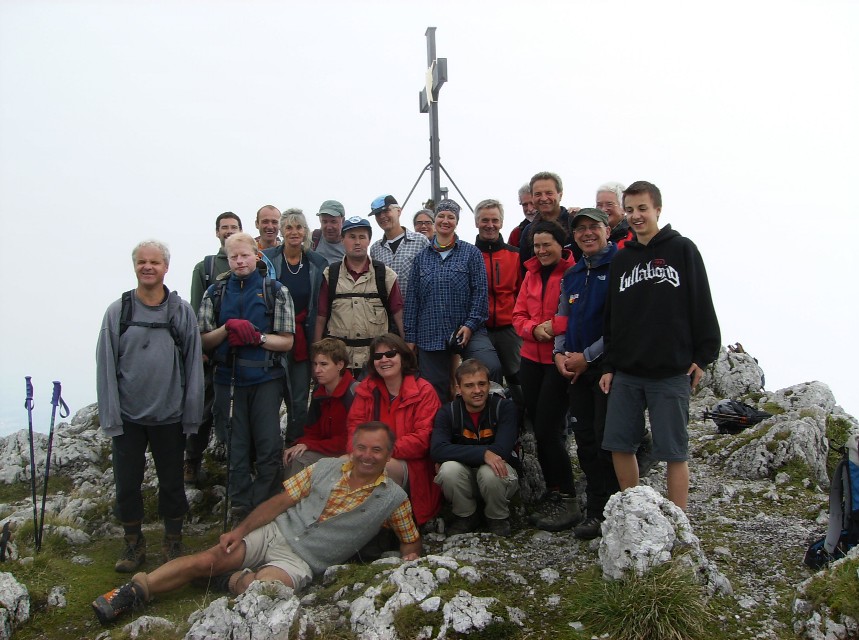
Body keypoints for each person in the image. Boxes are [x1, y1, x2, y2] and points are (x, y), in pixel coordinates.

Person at [92, 422, 422, 625]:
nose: (366, 455)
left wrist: (410, 555)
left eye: (376, 450)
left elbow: (410, 540)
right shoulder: (325, 467)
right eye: (361, 447)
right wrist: (239, 531)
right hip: (276, 531)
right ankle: (133, 591)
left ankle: (228, 581)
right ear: (352, 448)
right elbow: (281, 502)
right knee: (208, 558)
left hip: (302, 560)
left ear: (389, 454)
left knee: (265, 589)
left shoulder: (393, 499)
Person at [599, 181, 720, 511]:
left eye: (642, 209)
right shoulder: (622, 260)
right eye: (630, 209)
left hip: (670, 370)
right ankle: (634, 513)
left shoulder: (682, 249)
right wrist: (609, 365)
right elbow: (612, 319)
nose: (636, 216)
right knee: (620, 445)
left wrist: (703, 357)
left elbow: (701, 303)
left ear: (657, 210)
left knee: (673, 451)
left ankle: (678, 522)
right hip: (627, 370)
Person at [96, 240, 204, 572]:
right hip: (128, 417)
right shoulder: (119, 311)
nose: (148, 267)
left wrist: (191, 415)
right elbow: (106, 365)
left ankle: (173, 541)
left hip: (169, 415)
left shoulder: (180, 311)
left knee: (172, 481)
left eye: (154, 262)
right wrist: (110, 416)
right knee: (127, 482)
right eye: (142, 262)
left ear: (166, 268)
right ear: (135, 266)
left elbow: (193, 365)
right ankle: (133, 544)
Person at [199, 232, 295, 523]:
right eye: (233, 256)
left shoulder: (275, 290)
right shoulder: (214, 293)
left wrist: (257, 337)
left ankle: (264, 505)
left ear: (257, 255)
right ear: (227, 259)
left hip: (265, 378)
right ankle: (240, 506)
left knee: (267, 445)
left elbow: (287, 341)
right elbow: (203, 340)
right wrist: (228, 329)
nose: (239, 261)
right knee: (235, 445)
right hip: (227, 380)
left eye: (244, 255)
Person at [553, 208, 620, 540]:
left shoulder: (621, 267)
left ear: (607, 230)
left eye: (594, 227)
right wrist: (559, 353)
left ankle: (616, 511)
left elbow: (622, 325)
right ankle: (596, 512)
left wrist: (588, 357)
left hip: (608, 369)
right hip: (576, 372)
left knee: (610, 443)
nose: (587, 233)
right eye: (580, 229)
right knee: (587, 442)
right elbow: (561, 318)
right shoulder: (573, 274)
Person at [513, 221, 581, 531]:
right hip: (530, 359)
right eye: (536, 245)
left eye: (546, 244)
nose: (541, 250)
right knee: (540, 429)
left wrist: (551, 328)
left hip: (558, 361)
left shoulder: (574, 272)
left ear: (560, 244)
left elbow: (578, 315)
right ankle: (555, 492)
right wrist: (532, 330)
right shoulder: (529, 274)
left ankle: (567, 497)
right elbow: (518, 316)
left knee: (550, 429)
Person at [404, 199, 502, 401]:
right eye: (441, 216)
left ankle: (486, 423)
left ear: (456, 221)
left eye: (451, 217)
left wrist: (470, 324)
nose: (445, 221)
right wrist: (410, 338)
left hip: (467, 330)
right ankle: (441, 429)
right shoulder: (421, 258)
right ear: (434, 220)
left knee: (489, 367)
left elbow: (480, 293)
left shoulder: (471, 253)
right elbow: (413, 300)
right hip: (429, 334)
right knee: (433, 390)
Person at [347, 333, 441, 526]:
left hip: (413, 468)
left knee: (381, 468)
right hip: (370, 456)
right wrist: (361, 452)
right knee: (339, 466)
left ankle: (382, 530)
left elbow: (423, 439)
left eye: (390, 354)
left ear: (403, 357)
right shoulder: (366, 389)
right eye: (378, 356)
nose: (384, 360)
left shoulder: (424, 391)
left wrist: (381, 452)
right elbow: (354, 428)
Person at [185, 211, 243, 484]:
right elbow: (197, 311)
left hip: (243, 352)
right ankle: (192, 460)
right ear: (217, 232)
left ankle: (241, 463)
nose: (229, 232)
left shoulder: (250, 261)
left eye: (233, 227)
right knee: (204, 409)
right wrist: (202, 350)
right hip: (212, 352)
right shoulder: (205, 267)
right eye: (224, 228)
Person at [431, 359, 519, 537]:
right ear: (458, 388)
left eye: (482, 384)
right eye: (469, 385)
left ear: (489, 385)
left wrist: (475, 454)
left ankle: (497, 517)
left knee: (490, 470)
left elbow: (502, 451)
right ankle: (465, 516)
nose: (477, 391)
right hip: (465, 479)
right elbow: (437, 449)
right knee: (448, 470)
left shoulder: (504, 408)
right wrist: (484, 453)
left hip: (499, 478)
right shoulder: (448, 412)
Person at [263, 209, 328, 445]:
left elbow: (320, 305)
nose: (294, 232)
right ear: (281, 231)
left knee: (299, 398)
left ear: (305, 231)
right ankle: (268, 449)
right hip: (272, 337)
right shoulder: (267, 258)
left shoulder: (316, 262)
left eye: (299, 227)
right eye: (289, 227)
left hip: (303, 337)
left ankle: (294, 446)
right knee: (270, 397)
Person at [315, 216, 405, 377]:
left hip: (376, 361)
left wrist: (406, 351)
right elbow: (321, 316)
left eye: (362, 237)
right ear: (342, 240)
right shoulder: (331, 275)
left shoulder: (385, 275)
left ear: (369, 240)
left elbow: (399, 315)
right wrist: (316, 354)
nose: (357, 242)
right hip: (339, 362)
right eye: (352, 237)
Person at [473, 198, 523, 405]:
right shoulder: (469, 255)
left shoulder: (515, 255)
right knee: (484, 378)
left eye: (495, 220)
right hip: (480, 329)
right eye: (485, 220)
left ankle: (525, 424)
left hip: (509, 327)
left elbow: (522, 292)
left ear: (501, 222)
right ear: (476, 222)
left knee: (518, 378)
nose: (490, 225)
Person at [282, 338, 356, 478]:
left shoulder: (353, 394)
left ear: (340, 364)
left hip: (349, 455)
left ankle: (292, 499)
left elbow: (350, 441)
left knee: (300, 460)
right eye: (315, 364)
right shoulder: (320, 392)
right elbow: (312, 430)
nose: (317, 370)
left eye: (323, 364)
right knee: (293, 455)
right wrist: (303, 443)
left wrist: (310, 445)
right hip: (328, 449)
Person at [369, 194, 430, 297]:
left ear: (399, 211)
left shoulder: (420, 241)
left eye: (386, 211)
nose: (382, 216)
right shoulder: (375, 248)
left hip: (414, 309)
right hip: (385, 311)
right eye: (377, 214)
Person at [519, 171, 579, 268]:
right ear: (532, 197)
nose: (543, 198)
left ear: (560, 195)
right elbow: (525, 271)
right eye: (538, 194)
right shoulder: (527, 232)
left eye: (549, 193)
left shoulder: (575, 223)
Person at [595, 181, 634, 248]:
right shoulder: (592, 235)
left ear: (623, 207)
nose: (603, 209)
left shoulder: (633, 236)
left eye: (609, 204)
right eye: (599, 205)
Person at [312, 200, 346, 265]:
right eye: (324, 221)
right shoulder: (313, 239)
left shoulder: (350, 244)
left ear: (343, 221)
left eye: (333, 221)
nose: (329, 227)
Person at [507, 183, 537, 248]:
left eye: (532, 203)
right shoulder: (516, 234)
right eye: (525, 205)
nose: (530, 209)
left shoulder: (560, 224)